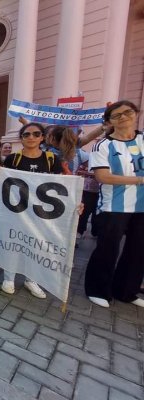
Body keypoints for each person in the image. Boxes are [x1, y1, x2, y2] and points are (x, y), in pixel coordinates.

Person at [85, 100, 144, 308]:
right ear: (110, 121)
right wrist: (139, 180)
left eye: (127, 112)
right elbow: (103, 176)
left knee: (138, 250)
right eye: (117, 115)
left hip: (142, 207)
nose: (123, 117)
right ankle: (97, 289)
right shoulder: (103, 145)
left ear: (135, 114)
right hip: (114, 206)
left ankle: (127, 291)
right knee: (107, 249)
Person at [2, 122, 63, 299]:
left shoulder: (52, 159)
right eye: (26, 135)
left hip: (41, 212)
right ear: (21, 138)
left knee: (36, 245)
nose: (31, 138)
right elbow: (5, 183)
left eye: (36, 134)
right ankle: (9, 278)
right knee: (13, 242)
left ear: (42, 137)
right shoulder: (13, 159)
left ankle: (31, 279)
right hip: (17, 210)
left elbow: (60, 185)